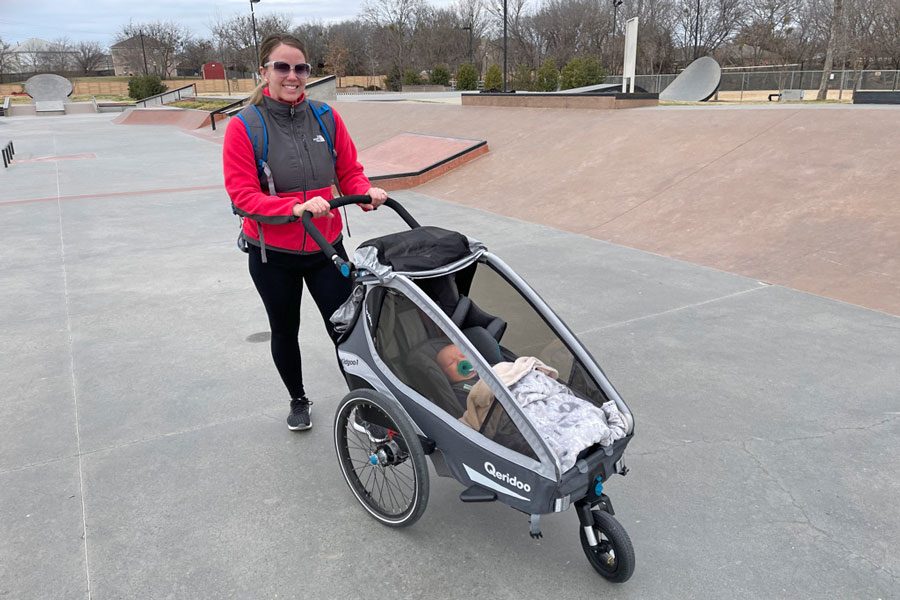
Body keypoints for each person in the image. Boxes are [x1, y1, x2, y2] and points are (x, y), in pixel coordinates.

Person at [223, 33, 388, 432]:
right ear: (264, 72)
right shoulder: (245, 126)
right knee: (285, 330)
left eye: (300, 68)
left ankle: (366, 406)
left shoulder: (326, 118)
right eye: (282, 67)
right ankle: (298, 398)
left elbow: (349, 169)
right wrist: (292, 208)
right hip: (272, 256)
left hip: (325, 249)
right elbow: (243, 196)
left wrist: (363, 192)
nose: (292, 75)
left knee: (347, 329)